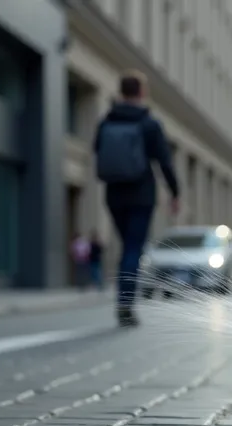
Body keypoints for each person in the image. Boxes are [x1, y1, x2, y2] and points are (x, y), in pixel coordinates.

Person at [94, 70, 180, 327]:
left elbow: (96, 150)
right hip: (141, 194)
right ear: (142, 92)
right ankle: (125, 302)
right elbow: (164, 162)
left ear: (121, 91)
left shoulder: (106, 122)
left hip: (113, 194)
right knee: (133, 248)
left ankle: (124, 296)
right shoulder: (149, 124)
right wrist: (175, 193)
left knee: (126, 247)